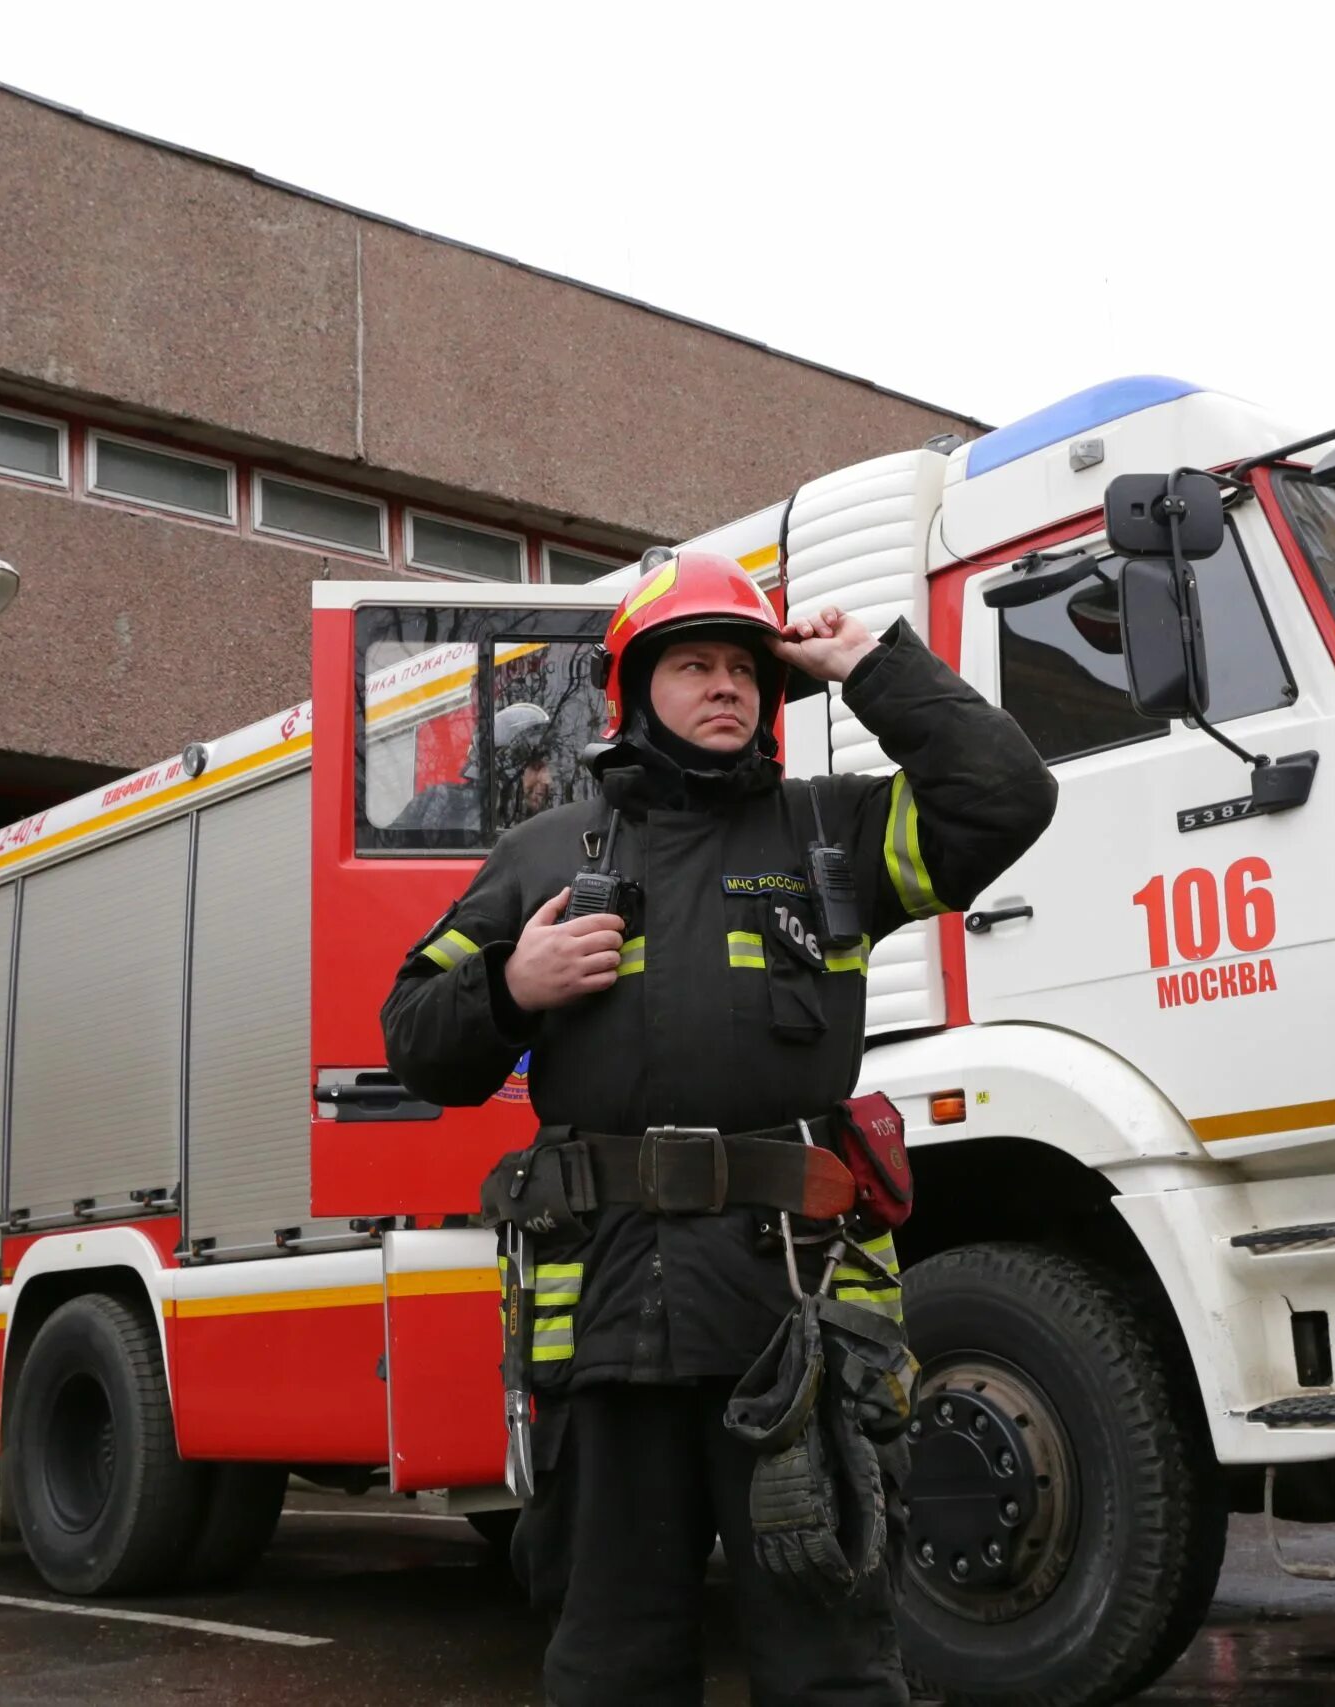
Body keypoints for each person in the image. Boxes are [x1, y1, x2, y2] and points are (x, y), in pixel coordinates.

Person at [380, 551, 1057, 1706]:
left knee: (830, 1657)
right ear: (635, 688)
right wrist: (513, 984)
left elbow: (1007, 796)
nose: (726, 687)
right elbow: (413, 1039)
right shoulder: (543, 856)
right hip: (606, 1320)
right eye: (692, 664)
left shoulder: (833, 832)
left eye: (745, 667)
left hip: (791, 1321)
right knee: (611, 1662)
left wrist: (870, 667)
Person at [388, 700, 559, 839]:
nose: (547, 779)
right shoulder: (438, 803)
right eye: (536, 767)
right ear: (501, 770)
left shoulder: (550, 823)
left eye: (548, 769)